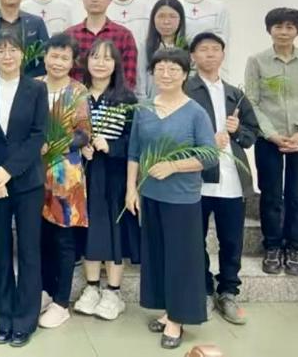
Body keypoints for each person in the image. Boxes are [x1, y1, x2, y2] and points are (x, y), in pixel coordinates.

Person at [125, 48, 218, 350]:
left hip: (182, 199)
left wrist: (174, 166)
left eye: (173, 69)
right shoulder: (144, 109)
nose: (166, 75)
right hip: (150, 196)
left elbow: (209, 155)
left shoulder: (195, 112)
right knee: (158, 257)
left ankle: (178, 320)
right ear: (152, 73)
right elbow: (134, 152)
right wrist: (131, 189)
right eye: (160, 69)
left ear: (184, 74)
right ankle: (167, 311)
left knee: (181, 260)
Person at [0, 33, 48, 347]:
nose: (7, 55)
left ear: (22, 55)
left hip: (27, 181)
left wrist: (8, 171)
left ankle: (25, 320)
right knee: (2, 253)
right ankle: (4, 317)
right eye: (1, 50)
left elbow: (37, 136)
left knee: (30, 252)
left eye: (13, 50)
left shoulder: (37, 89)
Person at [245, 8, 298, 276]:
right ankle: (271, 247)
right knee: (271, 195)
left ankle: (293, 249)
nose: (283, 31)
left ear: (297, 31)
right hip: (269, 138)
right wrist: (270, 133)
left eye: (290, 27)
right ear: (269, 30)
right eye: (278, 26)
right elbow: (252, 102)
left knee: (297, 196)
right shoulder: (257, 61)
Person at [186, 32, 259, 325]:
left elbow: (252, 134)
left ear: (223, 55)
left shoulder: (236, 94)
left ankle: (228, 291)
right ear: (193, 56)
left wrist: (238, 130)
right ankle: (203, 289)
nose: (210, 54)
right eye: (203, 49)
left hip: (232, 180)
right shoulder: (185, 90)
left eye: (215, 49)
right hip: (197, 179)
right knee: (196, 239)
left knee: (231, 240)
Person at [74, 38, 140, 322]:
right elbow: (65, 132)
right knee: (90, 231)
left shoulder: (127, 100)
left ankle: (113, 293)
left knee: (114, 234)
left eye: (107, 58)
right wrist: (81, 145)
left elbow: (136, 143)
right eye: (95, 57)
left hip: (115, 175)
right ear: (86, 62)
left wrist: (110, 146)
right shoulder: (77, 95)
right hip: (84, 175)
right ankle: (91, 289)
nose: (100, 63)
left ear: (116, 65)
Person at [35, 33, 91, 330]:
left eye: (64, 58)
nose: (57, 62)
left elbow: (84, 134)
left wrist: (55, 144)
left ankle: (61, 302)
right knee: (41, 236)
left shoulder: (78, 91)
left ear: (72, 62)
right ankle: (44, 292)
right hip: (34, 174)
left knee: (64, 239)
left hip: (65, 175)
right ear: (45, 57)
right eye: (53, 56)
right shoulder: (33, 87)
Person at [66, 0, 138, 90]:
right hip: (73, 102)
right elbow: (63, 74)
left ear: (110, 0)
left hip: (113, 103)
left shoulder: (124, 36)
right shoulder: (69, 35)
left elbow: (129, 78)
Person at [178, 0, 231, 78]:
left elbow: (223, 42)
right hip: (182, 69)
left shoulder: (219, 7)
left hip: (210, 69)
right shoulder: (176, 6)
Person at [136, 0, 188, 101]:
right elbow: (140, 79)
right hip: (152, 105)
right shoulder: (146, 47)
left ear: (180, 19)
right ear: (153, 19)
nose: (166, 21)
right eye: (161, 16)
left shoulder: (187, 47)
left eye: (172, 16)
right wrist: (144, 105)